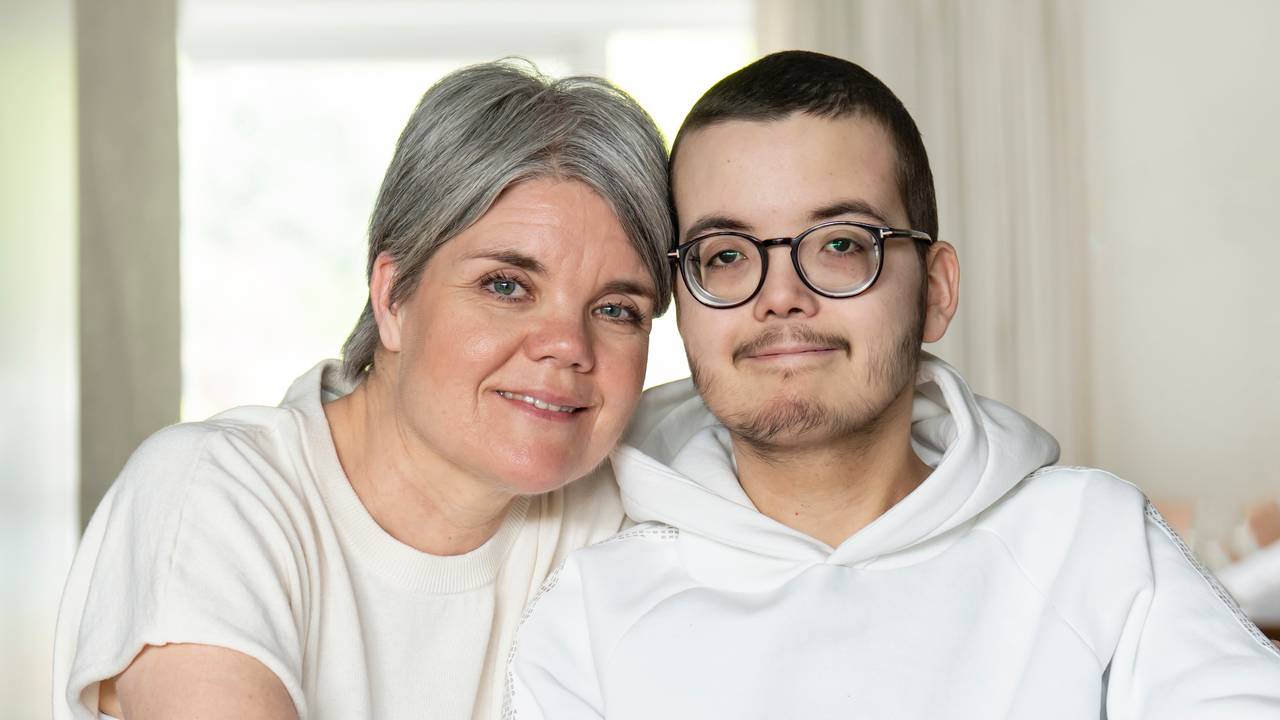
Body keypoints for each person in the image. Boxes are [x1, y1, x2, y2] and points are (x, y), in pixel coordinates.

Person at [505, 50, 1280, 718]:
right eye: (727, 254)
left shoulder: (1096, 544)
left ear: (936, 290)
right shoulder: (588, 610)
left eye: (841, 243)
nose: (780, 295)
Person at [53, 60, 672, 720]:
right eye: (506, 286)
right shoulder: (212, 495)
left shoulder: (634, 504)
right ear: (392, 297)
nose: (568, 347)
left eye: (615, 310)